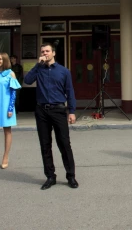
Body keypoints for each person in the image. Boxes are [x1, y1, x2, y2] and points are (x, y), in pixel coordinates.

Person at [24, 43, 78, 190]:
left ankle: (71, 176)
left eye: (47, 51)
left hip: (59, 110)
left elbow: (70, 92)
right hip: (41, 111)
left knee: (64, 144)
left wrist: (71, 111)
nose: (45, 53)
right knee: (45, 144)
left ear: (53, 53)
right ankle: (50, 176)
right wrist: (37, 65)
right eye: (42, 51)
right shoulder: (38, 69)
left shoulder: (63, 71)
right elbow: (27, 81)